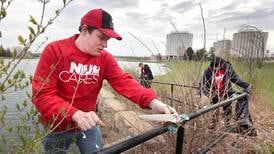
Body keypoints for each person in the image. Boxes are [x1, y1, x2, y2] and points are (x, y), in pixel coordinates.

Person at [32, 8, 178, 153]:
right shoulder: (55, 51)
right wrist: (75, 114)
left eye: (107, 39)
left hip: (90, 126)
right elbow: (42, 95)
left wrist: (153, 103)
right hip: (56, 128)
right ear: (84, 30)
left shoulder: (105, 58)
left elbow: (124, 81)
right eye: (101, 37)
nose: (105, 44)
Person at [200, 57, 256, 136]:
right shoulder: (208, 71)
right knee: (215, 111)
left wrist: (247, 86)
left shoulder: (227, 68)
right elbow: (203, 86)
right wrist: (210, 93)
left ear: (221, 65)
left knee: (227, 110)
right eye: (214, 68)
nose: (216, 69)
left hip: (226, 93)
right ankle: (213, 128)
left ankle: (227, 127)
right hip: (214, 95)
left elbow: (235, 79)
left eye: (218, 68)